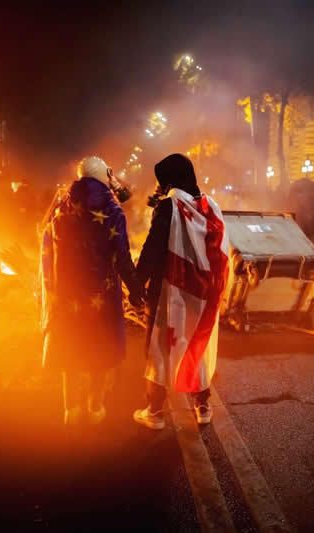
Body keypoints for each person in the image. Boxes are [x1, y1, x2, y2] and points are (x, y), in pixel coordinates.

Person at [39, 156, 143, 425]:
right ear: (105, 175)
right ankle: (95, 408)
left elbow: (47, 244)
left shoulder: (61, 206)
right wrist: (135, 290)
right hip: (102, 294)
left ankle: (70, 410)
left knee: (71, 347)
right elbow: (121, 256)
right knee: (101, 349)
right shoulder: (112, 209)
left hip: (67, 291)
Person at [133, 154, 229, 430]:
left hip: (170, 290)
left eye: (161, 180)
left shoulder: (169, 206)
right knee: (196, 344)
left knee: (159, 347)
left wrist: (137, 284)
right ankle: (203, 405)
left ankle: (155, 411)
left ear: (169, 180)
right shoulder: (210, 206)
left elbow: (153, 248)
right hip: (202, 293)